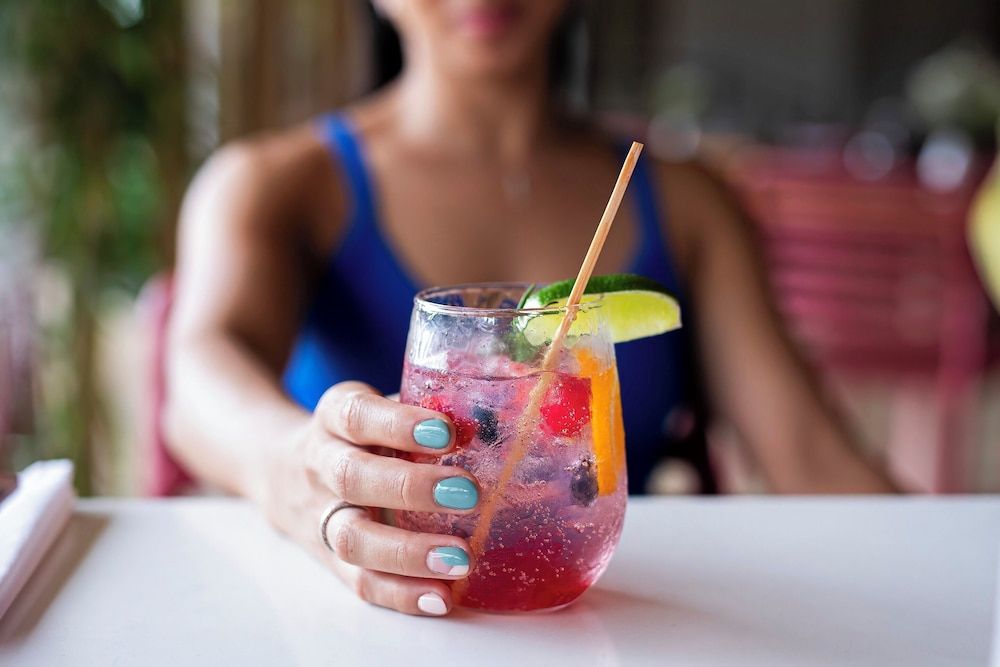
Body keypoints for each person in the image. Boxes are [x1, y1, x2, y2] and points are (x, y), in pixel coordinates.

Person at [165, 0, 896, 618]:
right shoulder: (276, 183)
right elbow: (199, 377)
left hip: (596, 625)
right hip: (358, 628)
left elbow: (809, 452)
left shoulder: (687, 199)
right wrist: (291, 462)